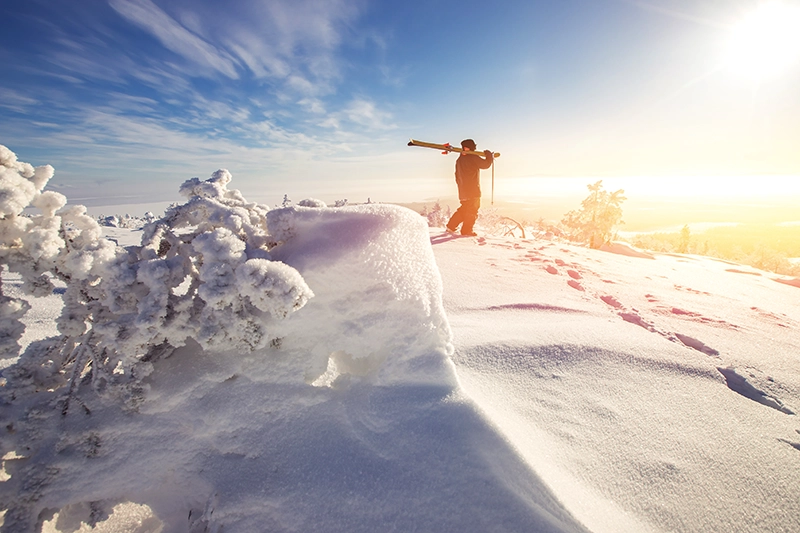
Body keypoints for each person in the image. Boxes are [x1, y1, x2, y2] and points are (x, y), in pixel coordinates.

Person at [446, 139, 494, 236]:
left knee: (464, 209)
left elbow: (456, 175)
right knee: (472, 210)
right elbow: (485, 165)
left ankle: (451, 226)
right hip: (473, 190)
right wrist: (489, 156)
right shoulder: (472, 157)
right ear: (471, 147)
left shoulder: (459, 160)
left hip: (462, 190)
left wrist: (460, 186)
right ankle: (467, 231)